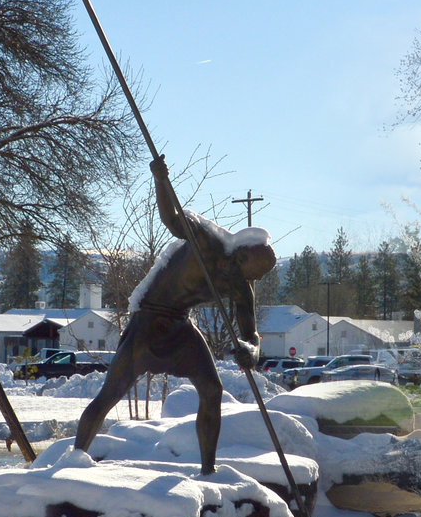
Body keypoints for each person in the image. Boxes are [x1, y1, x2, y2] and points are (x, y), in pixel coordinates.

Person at [72, 155, 275, 474]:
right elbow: (173, 218)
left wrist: (250, 350)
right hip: (149, 320)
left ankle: (208, 469)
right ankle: (74, 456)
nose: (254, 281)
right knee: (110, 393)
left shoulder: (239, 285)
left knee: (212, 390)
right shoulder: (207, 241)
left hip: (181, 326)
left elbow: (251, 335)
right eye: (255, 272)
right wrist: (160, 179)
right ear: (243, 254)